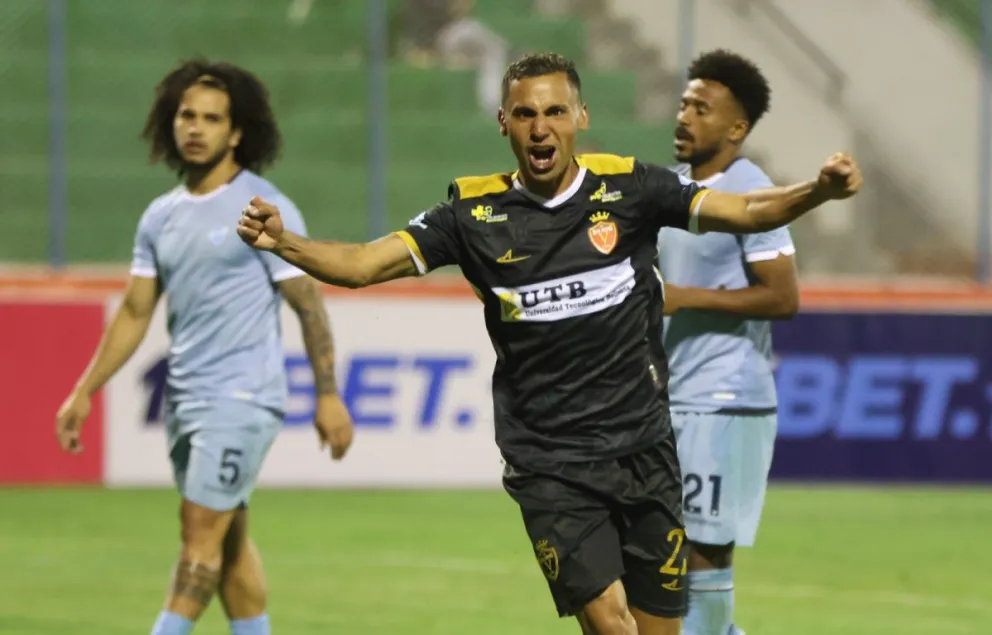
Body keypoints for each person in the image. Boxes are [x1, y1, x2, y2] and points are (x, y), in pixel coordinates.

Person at [236, 52, 861, 635]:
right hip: (551, 465)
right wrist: (284, 242)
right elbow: (363, 264)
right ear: (504, 122)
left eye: (555, 112)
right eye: (527, 114)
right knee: (613, 626)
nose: (542, 129)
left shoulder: (630, 189)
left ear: (580, 118)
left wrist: (817, 192)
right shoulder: (472, 215)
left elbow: (747, 210)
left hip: (645, 450)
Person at [54, 59, 355, 635]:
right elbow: (137, 313)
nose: (195, 128)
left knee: (198, 536)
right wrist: (83, 391)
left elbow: (309, 305)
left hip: (242, 399)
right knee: (229, 539)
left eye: (211, 118)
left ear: (236, 131)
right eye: (186, 116)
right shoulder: (160, 217)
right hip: (186, 400)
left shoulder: (263, 207)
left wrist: (329, 396)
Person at [657, 49, 794, 635]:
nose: (684, 116)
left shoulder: (751, 193)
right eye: (685, 103)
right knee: (659, 556)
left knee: (703, 553)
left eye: (702, 108)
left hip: (727, 399)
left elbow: (782, 297)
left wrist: (686, 297)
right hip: (675, 397)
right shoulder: (674, 189)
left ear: (736, 128)